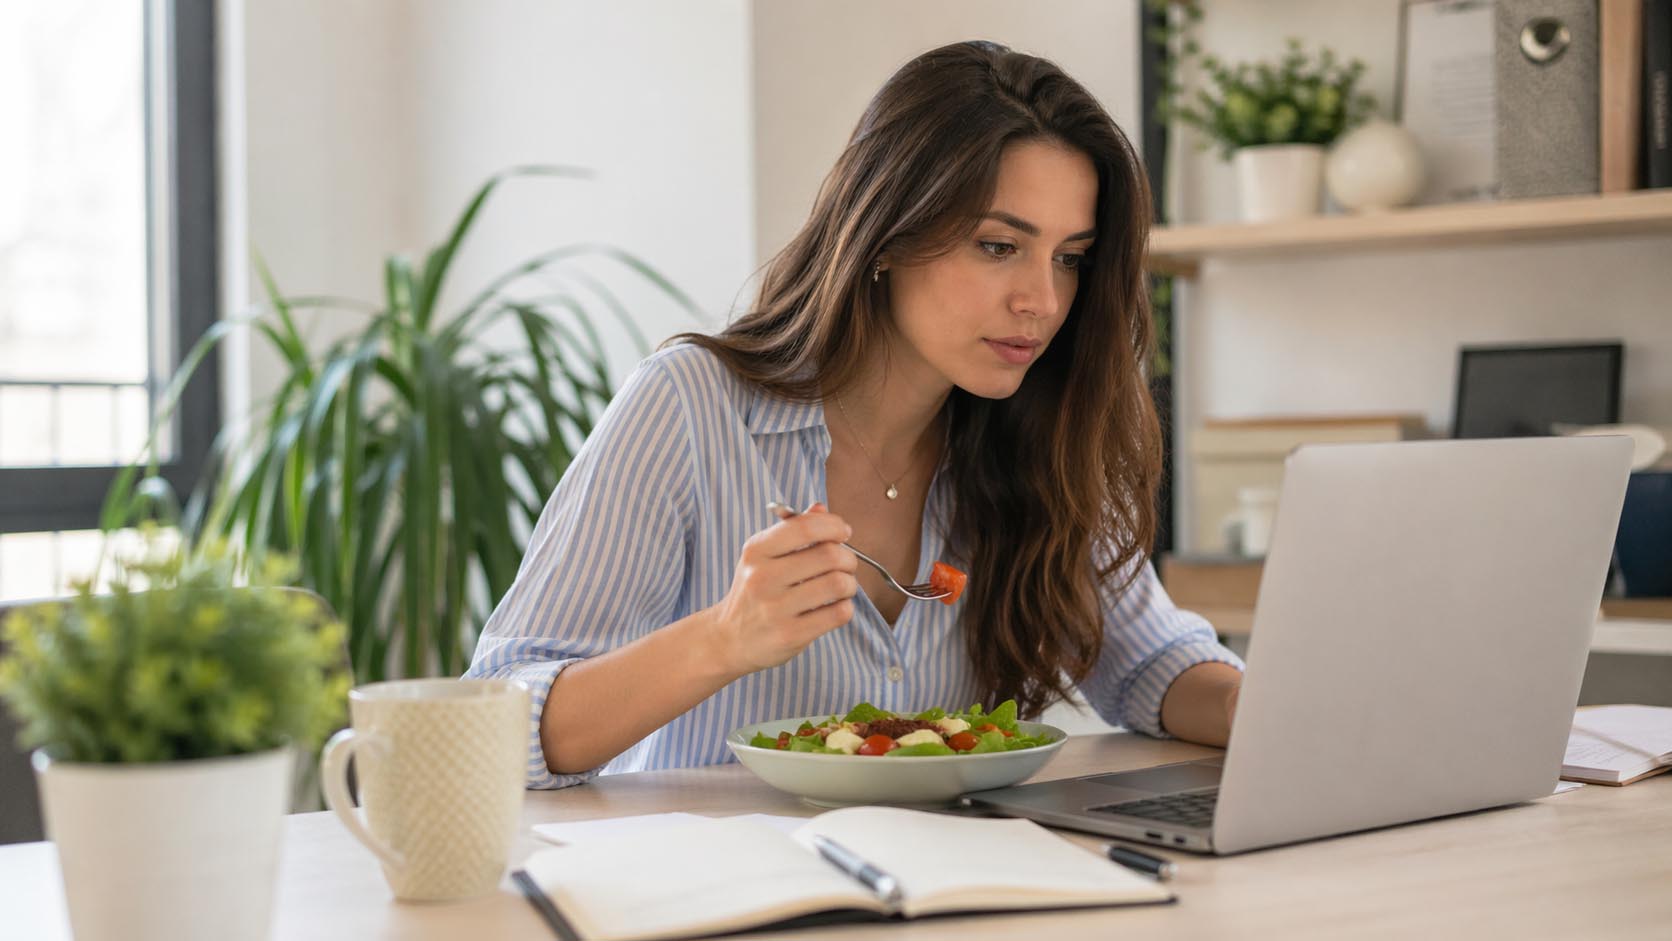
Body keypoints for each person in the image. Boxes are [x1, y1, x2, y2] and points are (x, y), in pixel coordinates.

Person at [466, 40, 1244, 789]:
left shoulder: (1043, 437)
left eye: (1069, 258)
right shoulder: (690, 406)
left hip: (950, 902)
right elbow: (493, 735)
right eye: (999, 246)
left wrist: (1295, 715)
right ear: (887, 237)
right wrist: (723, 638)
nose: (1041, 300)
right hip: (732, 904)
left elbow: (1149, 665)